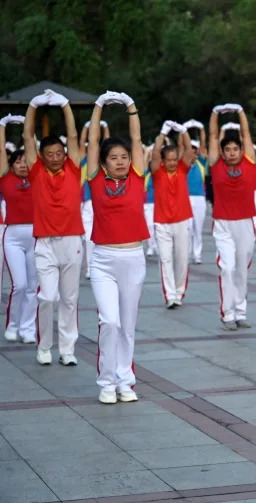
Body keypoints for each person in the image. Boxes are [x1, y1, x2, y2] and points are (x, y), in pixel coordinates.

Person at [86, 91, 149, 404]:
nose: (121, 161)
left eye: (124, 156)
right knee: (108, 321)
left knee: (127, 325)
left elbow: (136, 139)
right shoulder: (95, 179)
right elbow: (94, 141)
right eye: (114, 157)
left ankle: (126, 381)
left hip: (133, 258)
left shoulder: (137, 178)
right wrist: (98, 106)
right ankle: (106, 382)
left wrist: (130, 106)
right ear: (103, 163)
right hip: (103, 260)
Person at [23, 89, 84, 367]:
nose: (57, 157)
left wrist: (65, 105)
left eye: (60, 153)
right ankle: (44, 345)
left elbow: (73, 136)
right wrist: (33, 106)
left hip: (72, 241)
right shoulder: (36, 171)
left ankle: (67, 349)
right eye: (51, 154)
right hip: (45, 242)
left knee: (69, 299)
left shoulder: (73, 169)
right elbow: (27, 137)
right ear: (42, 156)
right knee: (47, 297)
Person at [208, 103, 256, 330]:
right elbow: (211, 135)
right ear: (222, 152)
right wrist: (215, 113)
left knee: (241, 269)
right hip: (223, 224)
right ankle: (227, 313)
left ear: (241, 151)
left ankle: (240, 312)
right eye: (227, 149)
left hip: (246, 222)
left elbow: (246, 134)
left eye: (235, 149)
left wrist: (240, 112)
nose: (231, 153)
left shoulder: (249, 163)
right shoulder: (216, 165)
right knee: (227, 267)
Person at [150, 121, 196, 308]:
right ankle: (170, 296)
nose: (172, 162)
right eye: (168, 159)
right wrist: (162, 134)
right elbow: (154, 153)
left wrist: (183, 131)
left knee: (182, 258)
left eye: (174, 159)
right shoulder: (157, 172)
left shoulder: (182, 169)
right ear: (163, 160)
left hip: (182, 219)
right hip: (162, 222)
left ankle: (179, 292)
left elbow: (189, 151)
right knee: (166, 259)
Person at [0, 116, 36, 344]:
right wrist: (2, 125)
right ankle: (12, 324)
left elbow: (33, 145)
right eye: (18, 162)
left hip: (36, 236)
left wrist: (27, 127)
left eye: (26, 161)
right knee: (20, 285)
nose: (23, 164)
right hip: (13, 236)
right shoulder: (5, 179)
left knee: (33, 286)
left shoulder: (37, 178)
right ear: (11, 165)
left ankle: (28, 328)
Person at [79, 120, 109, 277]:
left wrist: (105, 127)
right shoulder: (85, 162)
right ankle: (91, 268)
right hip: (88, 203)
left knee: (106, 235)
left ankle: (104, 266)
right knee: (89, 238)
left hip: (104, 202)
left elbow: (108, 142)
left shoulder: (105, 163)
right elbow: (82, 143)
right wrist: (86, 126)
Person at [183, 119, 208, 265]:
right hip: (185, 199)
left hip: (199, 199)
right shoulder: (183, 163)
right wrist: (184, 129)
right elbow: (181, 145)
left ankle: (197, 254)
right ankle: (186, 254)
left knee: (197, 228)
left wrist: (201, 128)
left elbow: (204, 145)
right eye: (190, 148)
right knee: (187, 229)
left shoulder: (201, 162)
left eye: (194, 149)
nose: (192, 150)